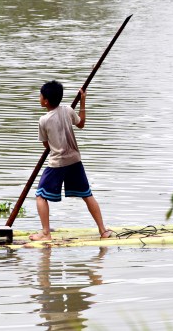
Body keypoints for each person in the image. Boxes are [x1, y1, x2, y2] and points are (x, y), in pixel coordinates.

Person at [30, 80, 112, 241]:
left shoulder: (43, 120)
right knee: (87, 195)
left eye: (40, 95)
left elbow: (47, 144)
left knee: (40, 196)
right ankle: (103, 230)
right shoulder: (68, 110)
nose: (39, 98)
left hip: (58, 163)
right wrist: (83, 101)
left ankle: (46, 233)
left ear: (46, 100)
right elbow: (81, 124)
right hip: (75, 160)